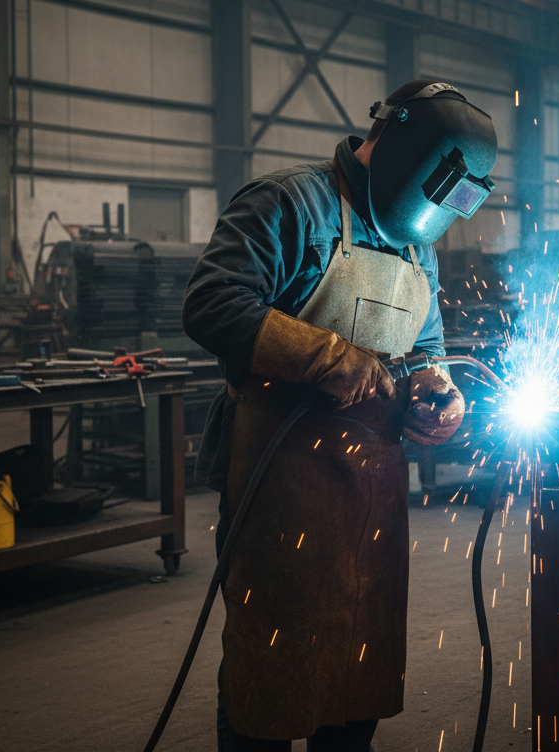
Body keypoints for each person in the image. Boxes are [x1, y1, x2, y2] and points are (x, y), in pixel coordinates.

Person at [183, 80, 499, 751]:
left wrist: (437, 392)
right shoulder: (290, 201)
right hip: (279, 475)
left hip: (371, 485)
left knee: (359, 660)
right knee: (272, 664)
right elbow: (212, 302)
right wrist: (332, 358)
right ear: (394, 145)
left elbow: (426, 348)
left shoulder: (420, 241)